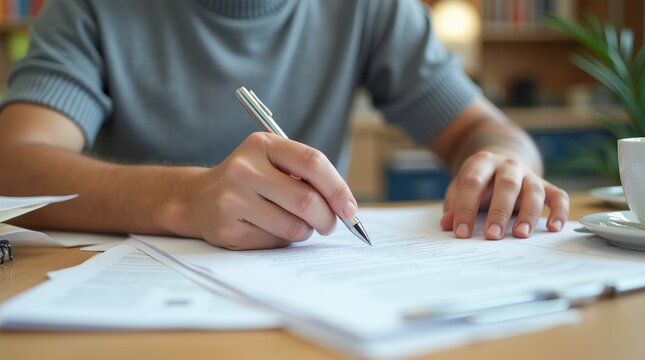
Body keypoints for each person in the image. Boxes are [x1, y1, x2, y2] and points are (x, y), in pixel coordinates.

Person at [0, 0, 568, 250]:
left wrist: (506, 161)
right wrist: (184, 200)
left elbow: (489, 132)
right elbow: (13, 162)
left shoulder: (371, 8)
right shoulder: (91, 7)